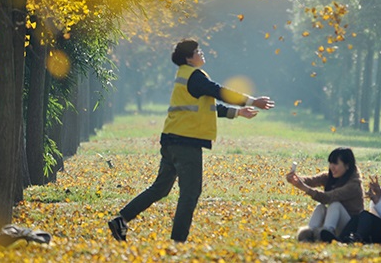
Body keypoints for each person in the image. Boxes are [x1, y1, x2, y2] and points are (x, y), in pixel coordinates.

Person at [108, 39, 275, 243]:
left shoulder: (185, 76)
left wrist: (238, 112)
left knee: (160, 188)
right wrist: (252, 100)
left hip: (171, 140)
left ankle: (121, 219)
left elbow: (209, 107)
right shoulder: (195, 77)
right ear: (189, 57)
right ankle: (178, 242)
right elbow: (220, 91)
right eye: (198, 51)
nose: (202, 53)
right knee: (190, 192)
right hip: (185, 144)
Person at [286, 147, 364, 242]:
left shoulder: (354, 185)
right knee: (321, 207)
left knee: (335, 205)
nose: (332, 167)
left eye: (335, 163)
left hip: (350, 227)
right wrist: (295, 179)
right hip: (337, 222)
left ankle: (326, 233)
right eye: (330, 163)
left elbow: (328, 197)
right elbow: (311, 180)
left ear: (347, 166)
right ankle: (309, 234)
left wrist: (303, 187)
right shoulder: (330, 176)